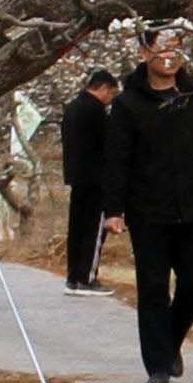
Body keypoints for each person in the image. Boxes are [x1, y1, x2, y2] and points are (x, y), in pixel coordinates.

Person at [106, 31, 193, 383]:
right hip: (147, 209)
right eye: (161, 46)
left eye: (176, 46)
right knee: (153, 288)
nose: (169, 54)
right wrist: (113, 209)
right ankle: (158, 367)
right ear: (145, 51)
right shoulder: (129, 103)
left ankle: (170, 341)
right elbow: (117, 159)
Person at [57, 71, 118, 289]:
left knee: (77, 229)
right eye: (111, 93)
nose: (110, 98)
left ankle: (73, 275)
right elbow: (110, 143)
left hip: (77, 177)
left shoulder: (72, 107)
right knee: (93, 231)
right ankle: (87, 277)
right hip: (96, 179)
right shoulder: (96, 111)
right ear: (103, 88)